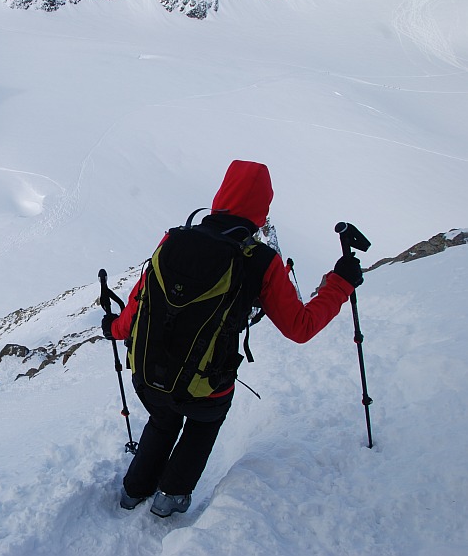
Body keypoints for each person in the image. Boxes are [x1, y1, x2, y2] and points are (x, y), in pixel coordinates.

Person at [100, 160, 363, 517]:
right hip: (205, 385)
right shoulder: (260, 260)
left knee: (163, 419)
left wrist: (113, 329)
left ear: (221, 195)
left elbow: (137, 305)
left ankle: (133, 492)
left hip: (148, 373)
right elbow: (300, 327)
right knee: (203, 422)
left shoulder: (173, 239)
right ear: (262, 208)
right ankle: (170, 497)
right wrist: (341, 284)